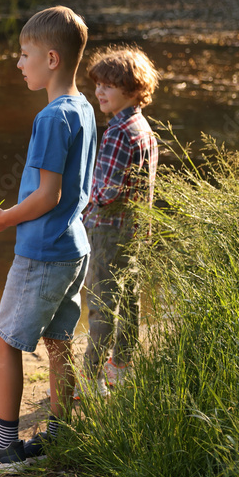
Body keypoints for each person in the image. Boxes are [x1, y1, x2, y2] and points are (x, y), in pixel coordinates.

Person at [0, 6, 96, 472]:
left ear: (51, 59)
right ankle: (60, 434)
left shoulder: (51, 118)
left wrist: (5, 219)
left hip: (43, 250)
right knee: (59, 341)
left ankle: (4, 445)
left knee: (5, 339)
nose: (19, 63)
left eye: (24, 54)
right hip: (74, 246)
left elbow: (47, 195)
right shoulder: (84, 108)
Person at [81, 45, 160, 390]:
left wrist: (83, 202)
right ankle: (122, 364)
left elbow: (106, 192)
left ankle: (91, 376)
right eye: (98, 84)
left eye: (108, 86)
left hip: (108, 230)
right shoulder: (144, 128)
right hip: (136, 229)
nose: (99, 92)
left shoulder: (117, 131)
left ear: (132, 89)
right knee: (128, 297)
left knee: (102, 303)